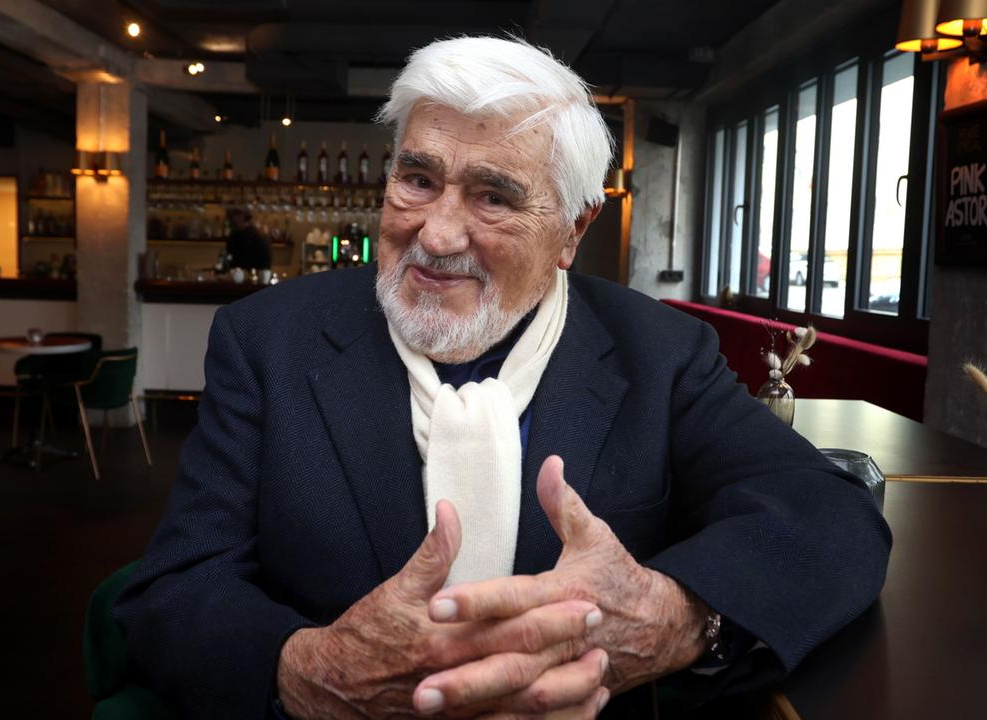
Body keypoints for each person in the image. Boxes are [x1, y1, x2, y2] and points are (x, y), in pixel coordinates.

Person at [114, 36, 890, 719]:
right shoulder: (268, 341)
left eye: (493, 197)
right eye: (419, 180)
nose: (437, 232)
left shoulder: (660, 353)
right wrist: (309, 672)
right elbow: (173, 593)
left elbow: (829, 519)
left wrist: (672, 616)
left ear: (573, 229)